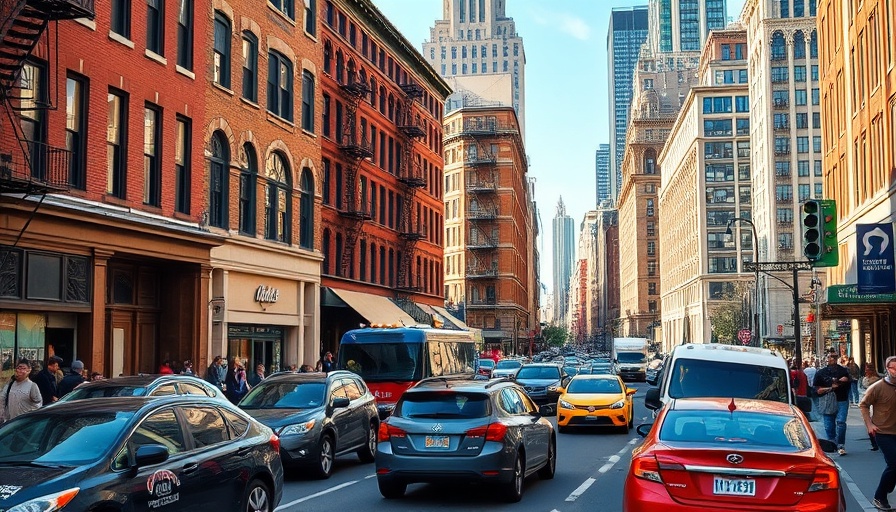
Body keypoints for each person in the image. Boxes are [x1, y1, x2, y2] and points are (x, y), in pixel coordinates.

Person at [859, 355, 896, 511]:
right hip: (883, 431)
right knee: (894, 463)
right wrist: (869, 425)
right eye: (893, 367)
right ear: (887, 369)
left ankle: (888, 487)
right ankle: (879, 496)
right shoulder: (877, 387)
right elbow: (864, 405)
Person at [814, 351, 852, 456]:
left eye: (834, 357)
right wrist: (830, 387)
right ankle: (832, 443)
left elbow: (848, 381)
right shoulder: (821, 372)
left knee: (841, 422)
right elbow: (817, 389)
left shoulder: (844, 371)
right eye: (830, 357)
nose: (832, 359)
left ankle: (840, 444)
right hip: (827, 400)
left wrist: (841, 382)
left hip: (842, 399)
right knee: (829, 424)